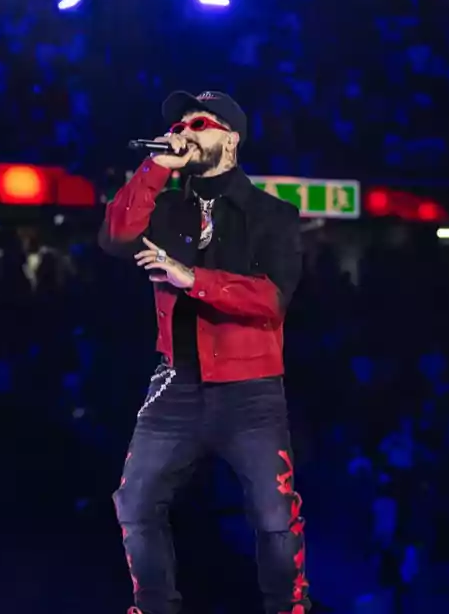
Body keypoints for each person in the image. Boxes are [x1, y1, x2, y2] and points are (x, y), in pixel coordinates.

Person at [99, 91, 309, 614]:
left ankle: (289, 609)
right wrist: (153, 168)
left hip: (251, 390)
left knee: (273, 515)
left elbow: (271, 301)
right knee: (135, 503)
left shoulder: (272, 215)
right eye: (178, 123)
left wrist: (190, 278)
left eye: (199, 122)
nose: (184, 130)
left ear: (231, 138)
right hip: (176, 381)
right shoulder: (165, 205)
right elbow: (115, 234)